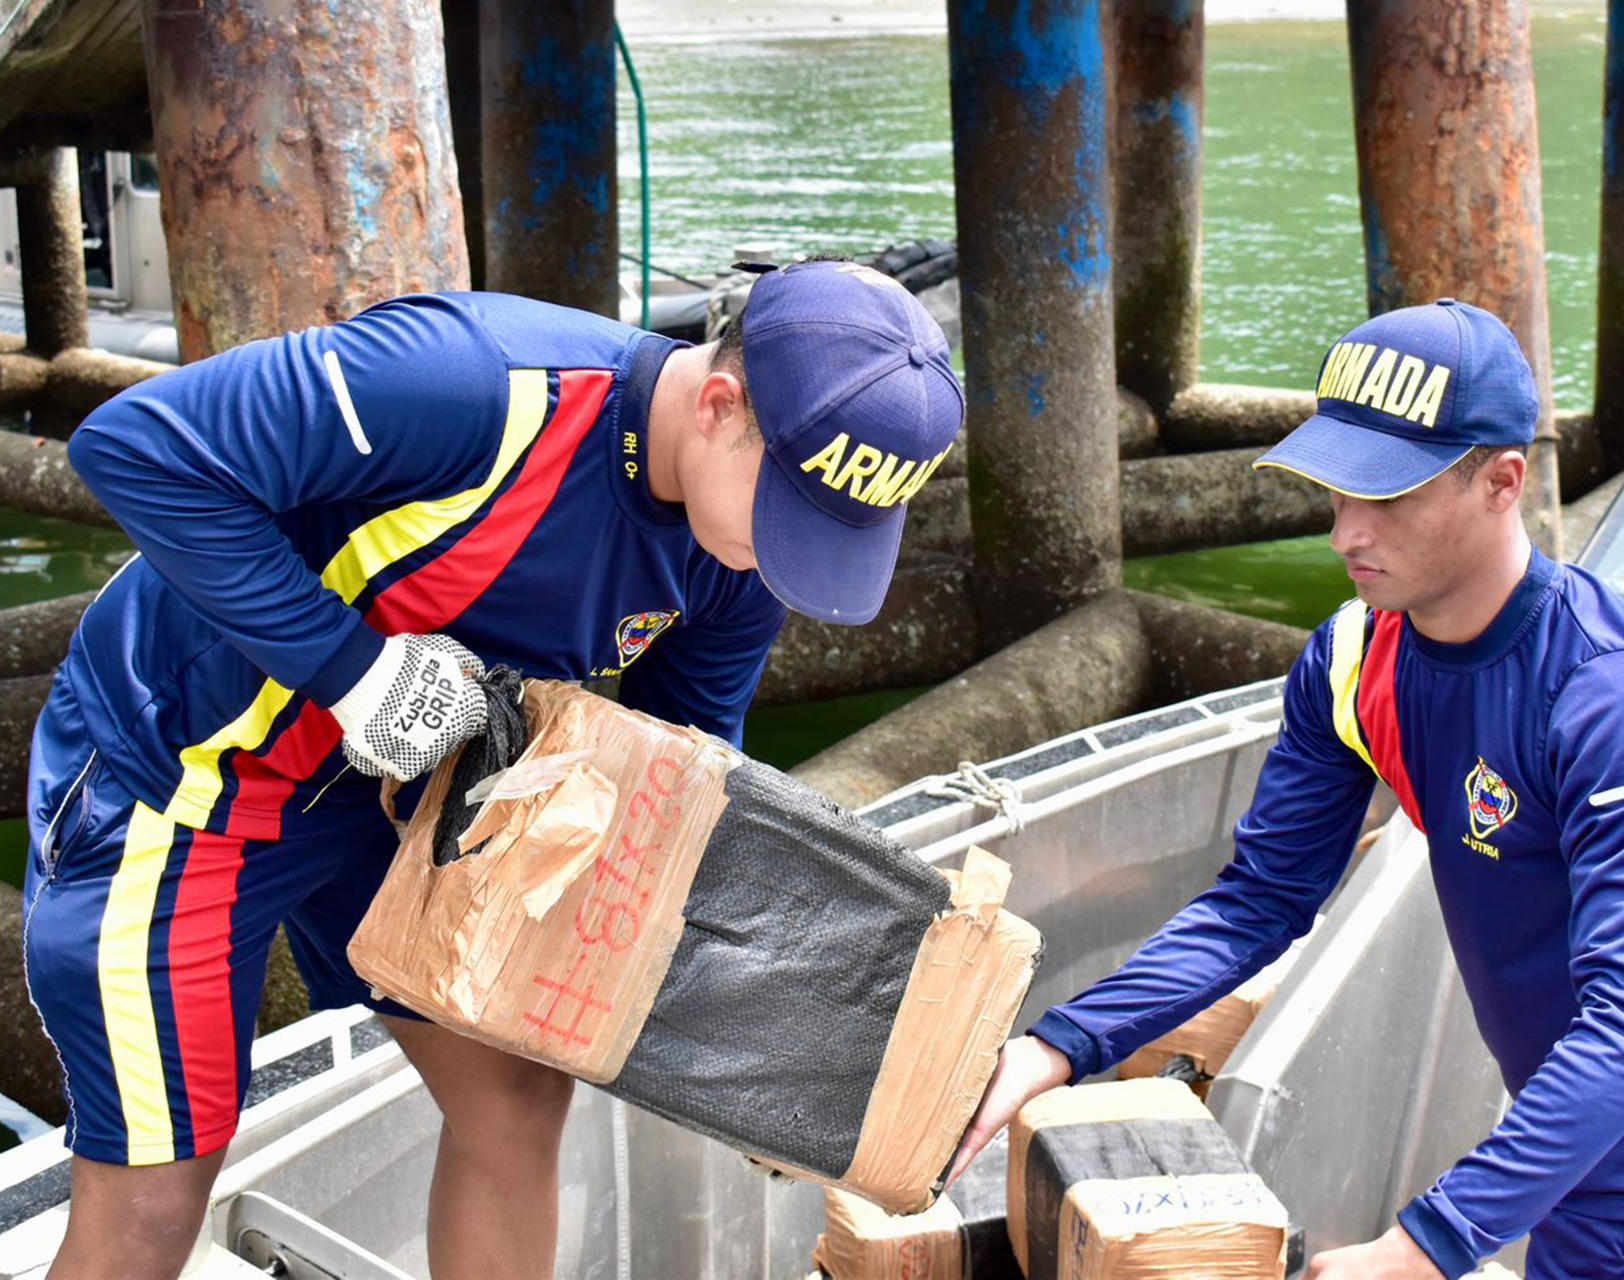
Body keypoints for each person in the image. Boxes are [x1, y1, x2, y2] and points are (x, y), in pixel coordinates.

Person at [23, 259, 964, 1279]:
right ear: (720, 403)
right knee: (158, 1188)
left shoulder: (735, 558)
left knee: (518, 1096)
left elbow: (683, 776)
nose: (784, 560)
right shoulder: (471, 382)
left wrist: (764, 1028)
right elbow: (134, 449)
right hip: (189, 779)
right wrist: (356, 673)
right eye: (787, 515)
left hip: (405, 803)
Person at [954, 299, 1624, 1280]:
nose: (1344, 533)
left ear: (1502, 481)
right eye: (1336, 488)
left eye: (1389, 496)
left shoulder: (1618, 702)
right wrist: (1056, 1045)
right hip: (1566, 1094)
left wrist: (1421, 1245)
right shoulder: (1357, 658)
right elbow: (1260, 900)